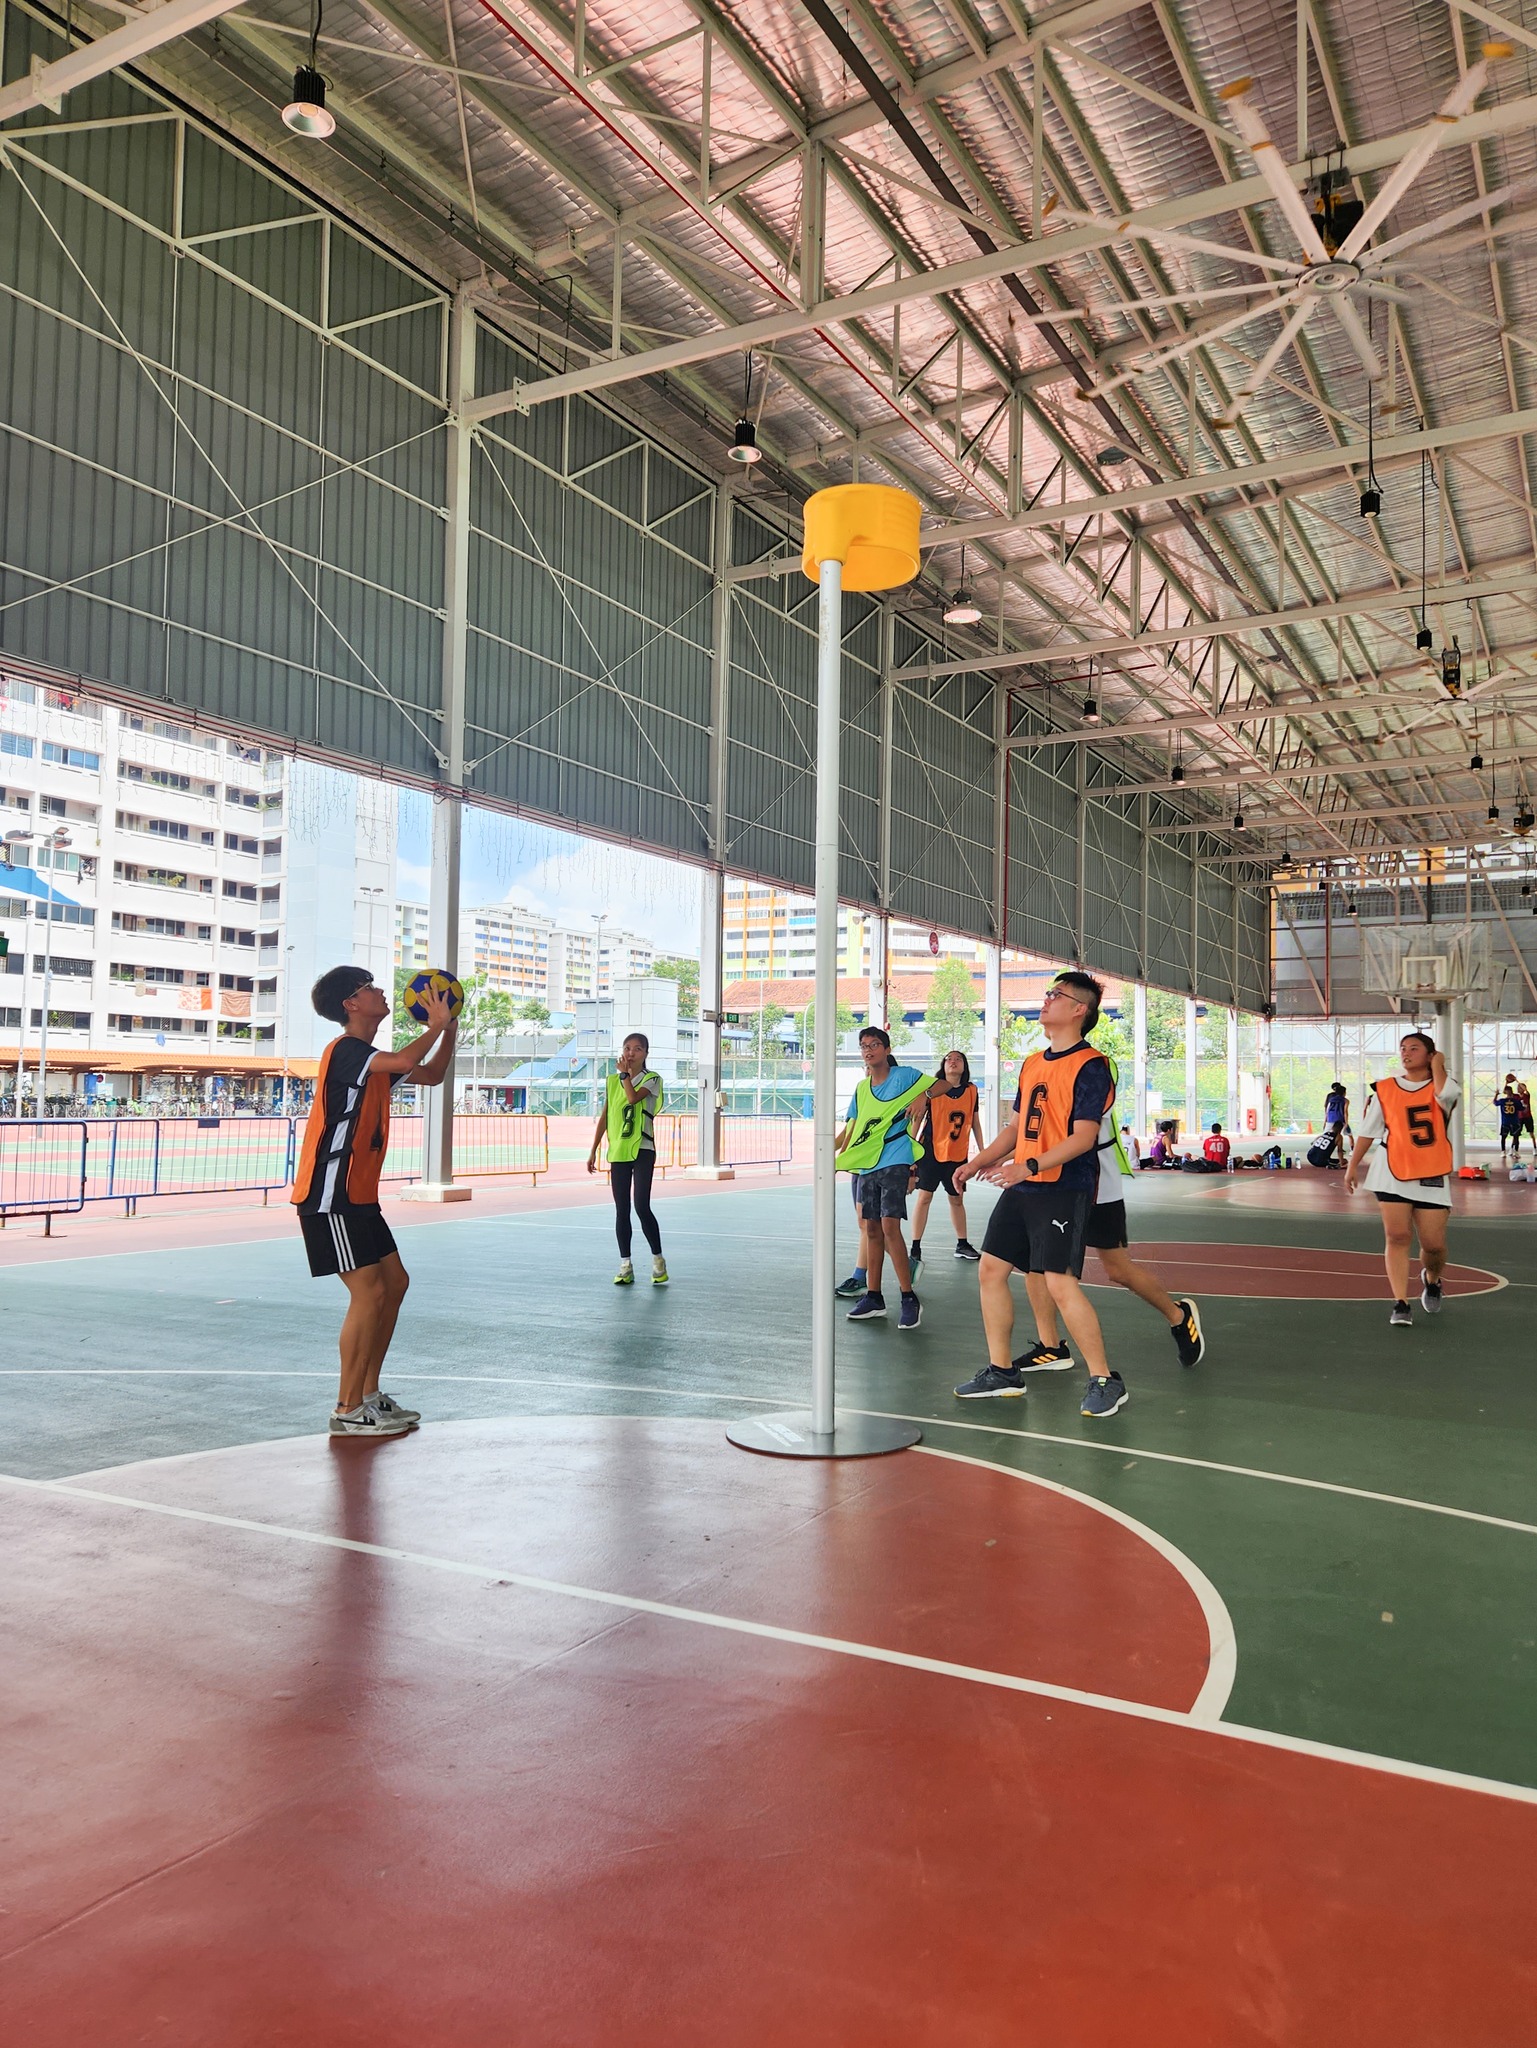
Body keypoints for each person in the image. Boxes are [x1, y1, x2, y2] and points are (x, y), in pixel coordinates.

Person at [951, 970, 1128, 1418]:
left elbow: (1083, 1137)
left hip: (1064, 1187)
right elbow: (1015, 1129)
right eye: (1048, 993)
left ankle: (1105, 1379)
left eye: (1056, 994)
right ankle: (1002, 1372)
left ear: (1079, 1009)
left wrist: (1027, 1166)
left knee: (1059, 1283)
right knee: (991, 1270)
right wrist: (975, 1161)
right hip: (1023, 1184)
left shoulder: (1093, 1066)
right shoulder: (1032, 1063)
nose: (1046, 1000)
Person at [293, 965, 458, 1439]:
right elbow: (406, 1058)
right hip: (331, 1196)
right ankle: (347, 1408)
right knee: (368, 1293)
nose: (382, 991)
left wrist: (448, 1031)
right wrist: (434, 1026)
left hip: (359, 1197)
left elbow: (431, 1074)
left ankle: (368, 1395)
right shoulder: (347, 1051)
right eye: (369, 988)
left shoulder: (372, 1063)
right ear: (351, 1004)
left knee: (395, 1283)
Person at [1012, 1031, 1204, 1377]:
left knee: (1117, 1269)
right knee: (1035, 1264)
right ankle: (1051, 1346)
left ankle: (1178, 1316)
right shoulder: (1039, 1064)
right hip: (1049, 1181)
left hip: (1095, 1180)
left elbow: (1080, 1132)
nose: (1046, 1007)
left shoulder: (1093, 1066)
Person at [1345, 1030, 1459, 1326]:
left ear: (1430, 1055)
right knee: (1397, 1236)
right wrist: (1352, 1165)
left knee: (1433, 1245)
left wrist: (1439, 1064)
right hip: (1391, 1171)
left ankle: (1432, 1279)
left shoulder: (1445, 1086)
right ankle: (1401, 1303)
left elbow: (1445, 1095)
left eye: (1414, 1048)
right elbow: (1368, 1131)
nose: (1406, 1053)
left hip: (1431, 1172)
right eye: (1403, 1048)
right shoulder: (1385, 1089)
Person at [834, 1026, 933, 1330]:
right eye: (864, 1046)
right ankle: (874, 1297)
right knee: (871, 1229)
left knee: (890, 1226)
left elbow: (939, 1084)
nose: (868, 1050)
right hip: (867, 1164)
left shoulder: (904, 1076)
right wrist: (833, 1153)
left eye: (874, 1044)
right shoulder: (862, 1089)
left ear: (887, 1049)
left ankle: (908, 1296)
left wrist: (925, 1095)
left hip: (895, 1159)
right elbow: (853, 1128)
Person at [587, 1032, 668, 1285]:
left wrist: (625, 1077)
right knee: (621, 1209)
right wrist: (594, 1148)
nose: (631, 1053)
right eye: (627, 1048)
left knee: (641, 1206)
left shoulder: (652, 1079)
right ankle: (625, 1264)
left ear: (646, 1054)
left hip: (643, 1148)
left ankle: (658, 1259)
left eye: (637, 1049)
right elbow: (606, 1116)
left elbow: (632, 1098)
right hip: (619, 1151)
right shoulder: (613, 1081)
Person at [909, 1049, 983, 1267]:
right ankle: (915, 1247)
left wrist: (983, 1152)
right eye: (949, 1058)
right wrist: (909, 1148)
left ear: (964, 1066)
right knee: (924, 1197)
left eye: (958, 1059)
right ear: (943, 1065)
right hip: (930, 1152)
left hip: (957, 1154)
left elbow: (975, 1123)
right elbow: (917, 1119)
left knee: (957, 1199)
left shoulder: (971, 1091)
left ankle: (962, 1243)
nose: (953, 1061)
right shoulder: (932, 1090)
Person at [1321, 1078, 1349, 1162]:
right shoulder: (1345, 1100)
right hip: (1339, 1120)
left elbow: (1327, 1110)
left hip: (1330, 1119)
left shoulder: (1331, 1099)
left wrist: (1325, 1121)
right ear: (1344, 1092)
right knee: (1337, 1137)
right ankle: (1340, 1153)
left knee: (1325, 1136)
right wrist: (1346, 1122)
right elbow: (1345, 1112)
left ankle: (1322, 1152)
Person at [1496, 1073, 1523, 1155]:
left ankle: (1503, 1151)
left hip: (1505, 1122)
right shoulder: (1516, 1100)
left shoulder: (1502, 1101)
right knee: (1516, 1137)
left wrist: (1496, 1094)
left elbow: (1495, 1102)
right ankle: (1516, 1152)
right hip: (1515, 1121)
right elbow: (1522, 1108)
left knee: (1503, 1137)